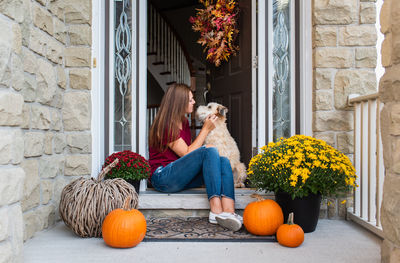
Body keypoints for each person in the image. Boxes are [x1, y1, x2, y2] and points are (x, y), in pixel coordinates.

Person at [148, 83, 243, 231]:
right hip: (163, 177)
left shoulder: (184, 121)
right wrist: (205, 130)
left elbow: (191, 154)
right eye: (191, 99)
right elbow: (187, 153)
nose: (194, 102)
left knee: (223, 160)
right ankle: (216, 211)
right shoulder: (166, 125)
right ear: (180, 102)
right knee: (210, 150)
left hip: (181, 176)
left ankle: (229, 212)